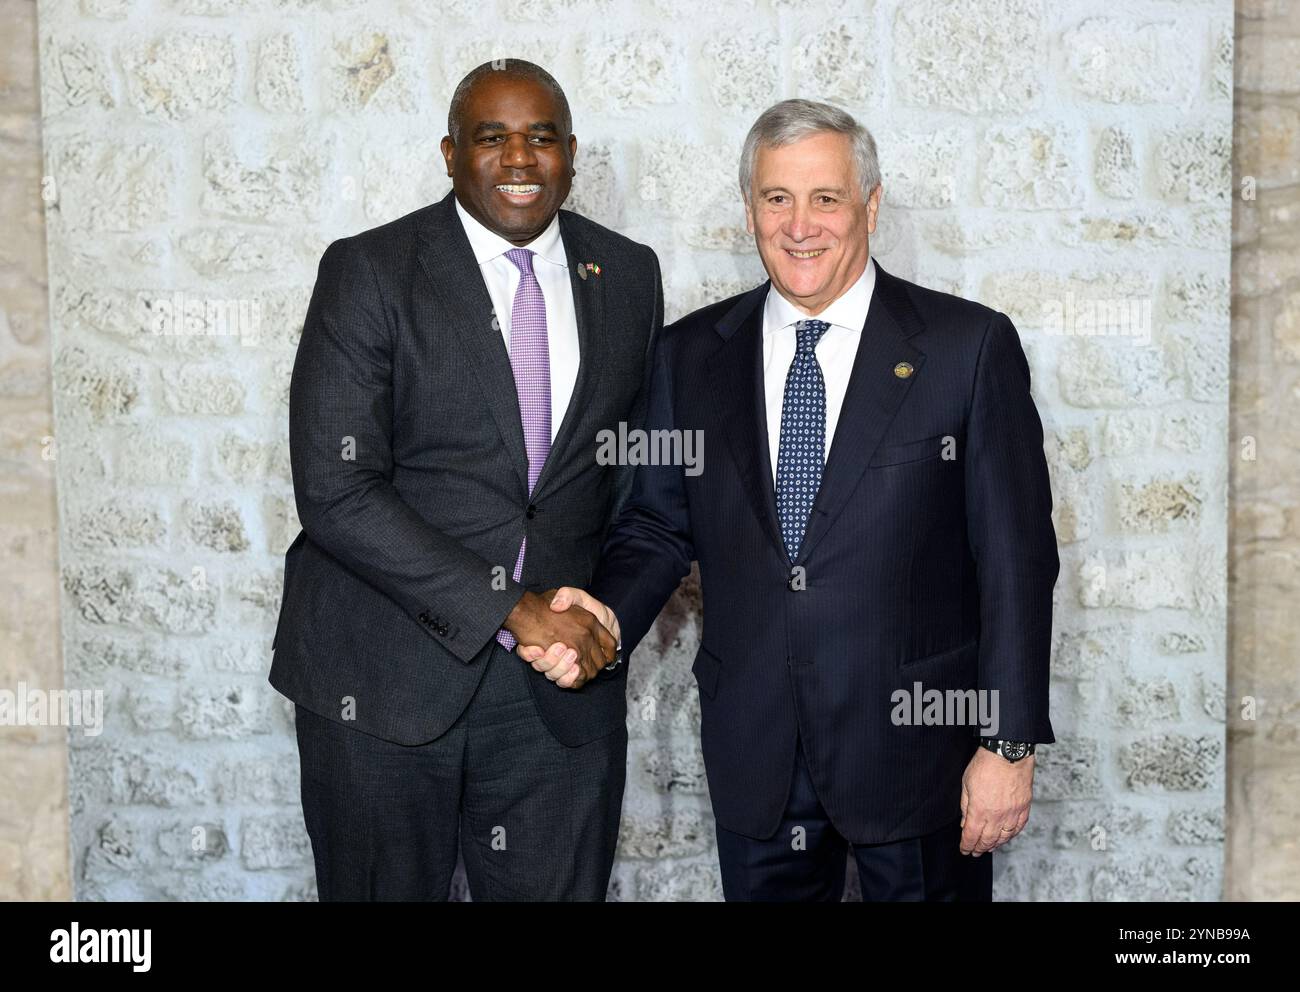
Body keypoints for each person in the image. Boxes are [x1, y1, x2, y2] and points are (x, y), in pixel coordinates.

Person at [521, 98, 1059, 901]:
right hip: (758, 758)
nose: (800, 224)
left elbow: (1017, 561)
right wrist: (607, 615)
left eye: (826, 198)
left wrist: (1008, 744)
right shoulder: (691, 356)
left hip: (919, 760)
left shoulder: (966, 348)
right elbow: (656, 526)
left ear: (869, 206)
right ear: (750, 211)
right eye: (777, 199)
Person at [269, 59, 662, 901]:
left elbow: (630, 482)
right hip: (381, 686)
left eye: (542, 137)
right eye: (493, 138)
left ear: (571, 153)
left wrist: (603, 621)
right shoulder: (370, 270)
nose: (519, 159)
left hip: (556, 695)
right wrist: (510, 608)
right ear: (451, 154)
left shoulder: (628, 275)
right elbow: (337, 490)